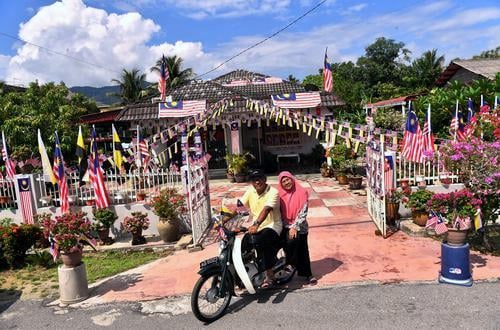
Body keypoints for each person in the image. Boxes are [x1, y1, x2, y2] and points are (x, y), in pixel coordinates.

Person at [240, 169, 282, 288]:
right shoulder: (250, 191)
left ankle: (269, 273)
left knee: (261, 240)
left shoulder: (273, 192)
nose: (257, 182)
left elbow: (267, 209)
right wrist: (225, 218)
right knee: (243, 244)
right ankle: (249, 273)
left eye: (259, 179)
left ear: (265, 179)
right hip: (256, 227)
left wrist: (256, 224)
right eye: (254, 180)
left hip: (273, 225)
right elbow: (240, 207)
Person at [277, 171, 317, 285]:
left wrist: (294, 226)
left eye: (288, 179)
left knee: (302, 248)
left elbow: (303, 212)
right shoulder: (279, 195)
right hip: (284, 225)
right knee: (283, 244)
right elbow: (277, 211)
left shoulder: (302, 192)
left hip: (300, 225)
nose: (286, 183)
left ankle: (307, 274)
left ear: (292, 179)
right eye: (283, 181)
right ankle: (280, 269)